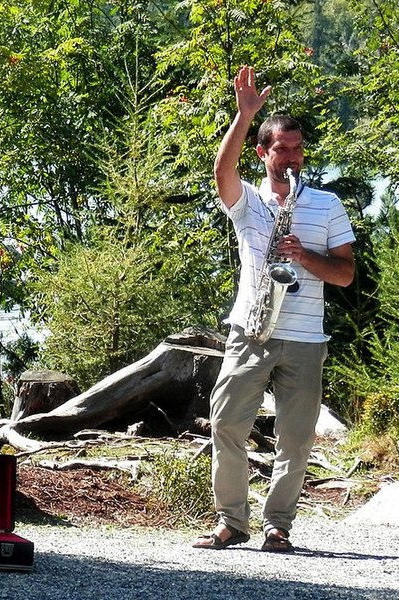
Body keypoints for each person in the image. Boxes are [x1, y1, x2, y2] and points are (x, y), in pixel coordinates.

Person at [192, 66, 355, 552]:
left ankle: (278, 526)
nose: (291, 157)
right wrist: (243, 118)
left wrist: (305, 256)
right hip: (251, 330)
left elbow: (345, 274)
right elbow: (222, 171)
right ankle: (231, 522)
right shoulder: (247, 202)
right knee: (226, 424)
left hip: (305, 338)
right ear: (263, 153)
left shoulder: (326, 205)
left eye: (298, 148)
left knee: (297, 439)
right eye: (281, 148)